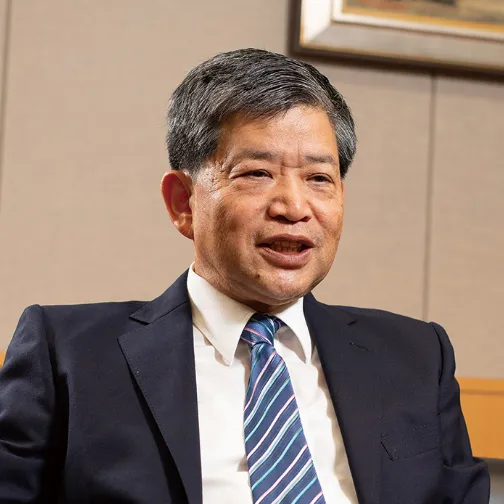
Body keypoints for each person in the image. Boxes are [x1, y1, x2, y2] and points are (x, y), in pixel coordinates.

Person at [0, 49, 489, 504]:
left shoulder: (417, 357)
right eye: (257, 173)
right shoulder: (69, 354)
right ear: (183, 203)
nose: (294, 207)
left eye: (319, 178)